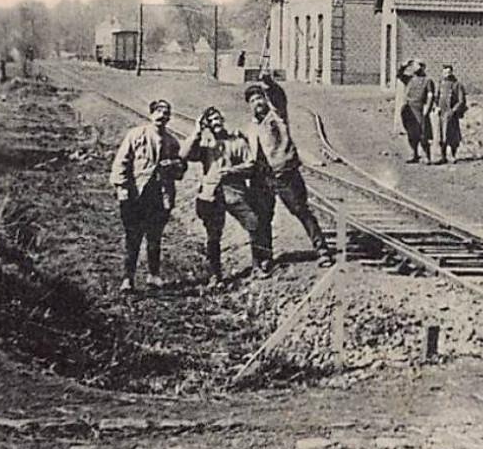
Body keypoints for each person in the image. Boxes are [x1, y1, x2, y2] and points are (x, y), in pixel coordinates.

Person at [243, 76, 334, 267]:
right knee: (264, 217)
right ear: (249, 106)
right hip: (262, 179)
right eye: (252, 101)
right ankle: (266, 257)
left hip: (285, 174)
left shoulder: (277, 115)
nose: (257, 103)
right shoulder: (250, 128)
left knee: (301, 211)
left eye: (259, 98)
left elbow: (279, 97)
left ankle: (322, 250)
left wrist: (270, 84)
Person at [180, 105, 272, 282]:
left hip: (235, 193)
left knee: (254, 223)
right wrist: (197, 131)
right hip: (210, 195)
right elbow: (184, 155)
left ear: (223, 120)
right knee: (213, 235)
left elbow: (250, 165)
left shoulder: (236, 142)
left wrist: (231, 171)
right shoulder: (205, 145)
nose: (216, 123)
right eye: (211, 121)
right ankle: (215, 275)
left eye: (218, 119)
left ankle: (257, 266)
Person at [109, 99, 185, 293]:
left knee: (155, 237)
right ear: (151, 114)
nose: (162, 115)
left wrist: (175, 166)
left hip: (160, 197)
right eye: (158, 111)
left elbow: (180, 172)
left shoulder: (172, 142)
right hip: (136, 194)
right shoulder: (136, 135)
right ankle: (128, 278)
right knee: (132, 237)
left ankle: (153, 275)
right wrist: (122, 187)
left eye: (166, 112)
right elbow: (121, 162)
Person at [401, 61, 437, 163]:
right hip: (409, 109)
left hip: (420, 109)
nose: (415, 68)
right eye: (414, 66)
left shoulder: (427, 81)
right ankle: (414, 154)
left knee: (423, 132)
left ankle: (426, 155)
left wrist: (428, 108)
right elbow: (399, 75)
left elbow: (431, 95)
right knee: (411, 132)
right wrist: (404, 65)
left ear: (423, 67)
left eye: (418, 66)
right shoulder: (409, 79)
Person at [433, 64, 468, 163]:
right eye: (445, 72)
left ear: (452, 72)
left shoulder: (457, 84)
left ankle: (453, 155)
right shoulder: (440, 84)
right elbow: (436, 97)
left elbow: (461, 101)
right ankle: (443, 156)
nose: (447, 74)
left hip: (451, 114)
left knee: (453, 136)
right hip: (442, 113)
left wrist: (453, 111)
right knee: (441, 135)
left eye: (449, 72)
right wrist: (436, 107)